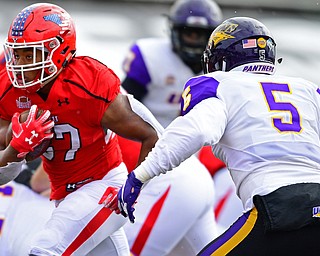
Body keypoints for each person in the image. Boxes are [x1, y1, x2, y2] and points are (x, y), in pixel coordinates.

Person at [113, 16, 320, 255]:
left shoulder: (220, 84)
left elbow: (196, 131)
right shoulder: (307, 89)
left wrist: (140, 176)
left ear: (222, 57)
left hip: (275, 206)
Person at [0, 3, 158, 255]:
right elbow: (2, 176)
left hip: (103, 184)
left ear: (59, 50)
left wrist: (135, 185)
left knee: (45, 250)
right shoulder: (9, 89)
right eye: (17, 54)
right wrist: (14, 149)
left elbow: (152, 135)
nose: (20, 65)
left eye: (30, 55)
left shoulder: (88, 83)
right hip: (65, 194)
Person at [30, 92, 218, 256]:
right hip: (192, 174)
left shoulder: (69, 103)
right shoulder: (97, 92)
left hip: (165, 184)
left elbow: (40, 184)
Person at [122, 0, 222, 128]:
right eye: (188, 33)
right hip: (148, 135)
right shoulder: (150, 56)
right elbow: (124, 107)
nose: (193, 41)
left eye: (200, 35)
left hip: (200, 140)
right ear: (174, 31)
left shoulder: (222, 64)